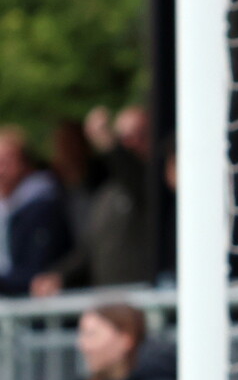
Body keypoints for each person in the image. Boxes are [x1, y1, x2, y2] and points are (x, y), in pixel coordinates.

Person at [31, 105, 155, 296]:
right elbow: (89, 250)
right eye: (122, 138)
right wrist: (58, 275)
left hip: (148, 302)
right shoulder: (106, 192)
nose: (128, 144)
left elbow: (138, 182)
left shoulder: (157, 186)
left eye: (139, 135)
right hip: (109, 302)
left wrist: (109, 144)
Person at [0, 125, 73, 295]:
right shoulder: (6, 208)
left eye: (7, 161)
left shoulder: (43, 206)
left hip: (34, 306)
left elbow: (37, 270)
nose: (1, 169)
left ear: (25, 163)